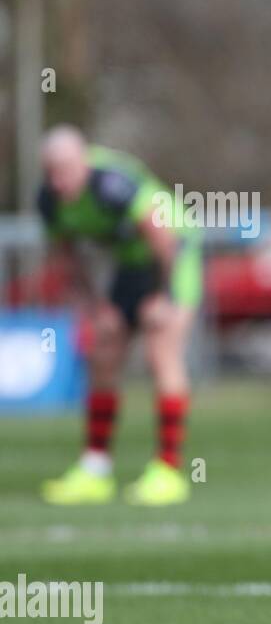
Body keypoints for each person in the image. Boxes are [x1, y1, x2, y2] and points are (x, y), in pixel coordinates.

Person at [37, 125, 201, 507]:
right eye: (51, 172)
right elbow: (68, 260)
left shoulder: (112, 183)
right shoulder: (49, 200)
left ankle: (169, 471)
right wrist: (97, 309)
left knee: (161, 352)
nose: (59, 181)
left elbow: (165, 240)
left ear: (83, 160)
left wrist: (163, 296)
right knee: (104, 354)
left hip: (173, 255)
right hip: (130, 264)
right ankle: (95, 469)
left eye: (66, 170)